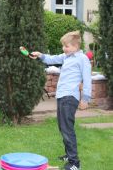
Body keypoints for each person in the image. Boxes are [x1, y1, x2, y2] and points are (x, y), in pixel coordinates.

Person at [30, 31, 91, 170]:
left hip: (70, 97)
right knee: (62, 127)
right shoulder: (66, 56)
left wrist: (85, 99)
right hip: (62, 96)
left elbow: (87, 79)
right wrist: (40, 55)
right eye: (63, 46)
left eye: (67, 46)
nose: (64, 48)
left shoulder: (82, 58)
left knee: (67, 129)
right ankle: (69, 155)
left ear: (76, 46)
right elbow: (52, 59)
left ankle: (75, 163)